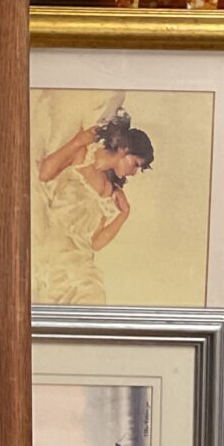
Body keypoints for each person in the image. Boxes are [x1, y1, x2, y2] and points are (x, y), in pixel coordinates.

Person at [33, 109, 154, 305]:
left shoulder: (110, 191)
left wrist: (124, 214)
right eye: (135, 164)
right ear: (123, 150)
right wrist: (77, 141)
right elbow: (44, 173)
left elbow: (96, 243)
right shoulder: (83, 155)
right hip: (54, 256)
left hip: (83, 269)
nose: (135, 173)